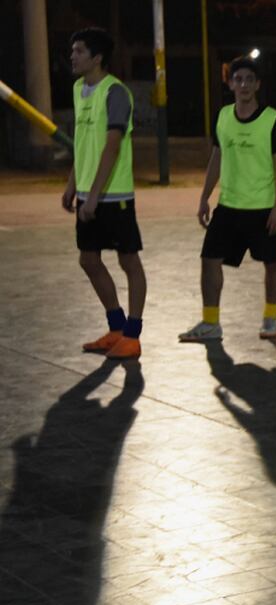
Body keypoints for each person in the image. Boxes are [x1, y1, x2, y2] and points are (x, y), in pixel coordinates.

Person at [179, 56, 276, 342]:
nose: (244, 85)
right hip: (228, 206)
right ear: (230, 84)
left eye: (249, 80)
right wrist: (204, 197)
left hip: (262, 207)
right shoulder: (223, 116)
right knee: (209, 259)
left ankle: (270, 319)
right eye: (238, 79)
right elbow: (217, 157)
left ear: (258, 85)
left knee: (273, 263)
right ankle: (211, 323)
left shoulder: (273, 120)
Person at [62, 27, 147, 359]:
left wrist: (95, 194)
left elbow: (112, 147)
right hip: (87, 193)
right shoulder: (77, 89)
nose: (72, 56)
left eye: (79, 51)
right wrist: (73, 187)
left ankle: (134, 334)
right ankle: (116, 327)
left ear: (97, 58)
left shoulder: (116, 93)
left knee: (129, 261)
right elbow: (84, 146)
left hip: (115, 196)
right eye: (73, 50)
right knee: (89, 260)